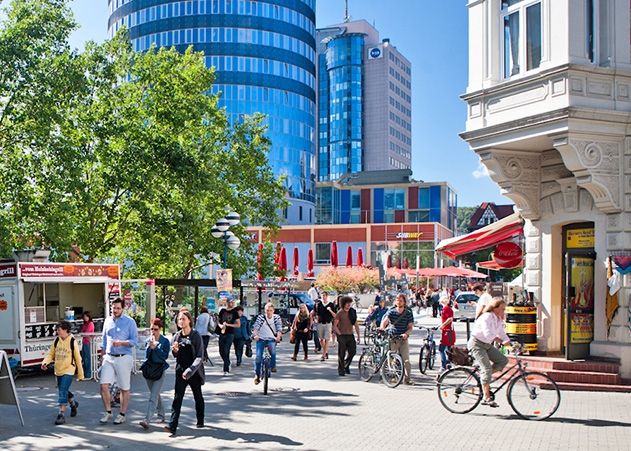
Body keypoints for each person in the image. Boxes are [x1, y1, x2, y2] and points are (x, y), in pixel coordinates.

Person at [164, 310, 205, 437]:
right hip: (180, 371)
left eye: (183, 319)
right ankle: (172, 426)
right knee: (177, 398)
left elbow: (199, 356)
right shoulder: (176, 336)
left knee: (197, 396)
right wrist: (175, 351)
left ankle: (200, 419)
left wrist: (190, 370)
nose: (181, 321)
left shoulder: (195, 336)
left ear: (189, 320)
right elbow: (175, 355)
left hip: (193, 372)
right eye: (179, 319)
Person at [99, 298, 138, 425]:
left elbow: (134, 341)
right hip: (109, 357)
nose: (115, 310)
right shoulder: (107, 321)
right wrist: (102, 356)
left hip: (124, 356)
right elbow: (104, 340)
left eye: (118, 308)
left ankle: (122, 414)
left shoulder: (130, 322)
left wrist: (121, 342)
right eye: (113, 308)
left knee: (124, 388)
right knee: (103, 385)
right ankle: (108, 411)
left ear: (123, 308)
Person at [468, 297, 510, 407]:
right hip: (477, 344)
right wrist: (500, 341)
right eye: (502, 309)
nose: (503, 311)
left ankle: (484, 378)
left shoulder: (498, 319)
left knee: (503, 361)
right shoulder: (486, 317)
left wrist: (509, 341)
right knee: (486, 369)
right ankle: (486, 397)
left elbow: (501, 332)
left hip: (486, 344)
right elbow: (488, 334)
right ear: (495, 308)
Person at [41, 320, 84, 425]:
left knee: (62, 391)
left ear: (65, 330)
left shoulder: (72, 341)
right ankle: (73, 404)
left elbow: (78, 359)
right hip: (58, 370)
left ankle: (61, 414)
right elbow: (51, 354)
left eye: (59, 330)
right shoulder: (56, 340)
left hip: (69, 370)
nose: (57, 332)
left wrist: (80, 374)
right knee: (63, 390)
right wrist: (45, 362)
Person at [139, 318, 170, 430]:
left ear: (160, 329)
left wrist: (156, 348)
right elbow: (146, 356)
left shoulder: (165, 341)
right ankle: (161, 415)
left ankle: (147, 419)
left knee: (153, 396)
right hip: (149, 370)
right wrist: (150, 348)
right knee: (155, 393)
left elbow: (164, 357)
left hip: (159, 371)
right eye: (152, 329)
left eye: (155, 329)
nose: (153, 331)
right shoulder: (148, 340)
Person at [380, 293, 415, 385]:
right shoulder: (391, 312)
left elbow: (410, 327)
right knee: (392, 359)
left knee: (406, 360)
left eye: (401, 300)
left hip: (403, 339)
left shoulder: (408, 313)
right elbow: (385, 321)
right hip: (393, 338)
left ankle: (407, 379)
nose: (398, 302)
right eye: (397, 300)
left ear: (404, 302)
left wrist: (406, 334)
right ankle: (393, 377)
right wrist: (382, 328)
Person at [251, 302, 283, 384]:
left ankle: (273, 366)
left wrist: (278, 337)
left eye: (270, 310)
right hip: (261, 339)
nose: (268, 312)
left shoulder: (276, 318)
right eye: (267, 310)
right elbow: (256, 327)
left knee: (273, 351)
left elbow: (279, 328)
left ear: (273, 311)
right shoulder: (261, 317)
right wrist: (255, 335)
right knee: (258, 357)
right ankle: (257, 375)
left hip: (271, 339)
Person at [333, 296, 361, 376]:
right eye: (347, 303)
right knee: (341, 353)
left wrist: (358, 335)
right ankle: (341, 369)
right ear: (343, 304)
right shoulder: (340, 313)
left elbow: (356, 325)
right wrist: (339, 333)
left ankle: (346, 365)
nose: (349, 305)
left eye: (350, 303)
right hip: (342, 335)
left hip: (350, 335)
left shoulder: (352, 312)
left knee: (352, 352)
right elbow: (335, 325)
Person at [217, 299, 240, 376]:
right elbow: (218, 320)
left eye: (232, 302)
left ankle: (226, 369)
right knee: (221, 351)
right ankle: (228, 362)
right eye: (230, 302)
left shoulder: (235, 312)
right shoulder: (222, 311)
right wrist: (220, 326)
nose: (231, 304)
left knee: (226, 350)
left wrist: (229, 325)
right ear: (227, 303)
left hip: (230, 333)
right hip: (222, 332)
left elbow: (238, 324)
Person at [316, 291, 337, 361]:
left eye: (324, 295)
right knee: (321, 340)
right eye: (322, 296)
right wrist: (316, 321)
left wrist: (330, 310)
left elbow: (335, 315)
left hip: (328, 324)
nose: (323, 297)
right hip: (320, 323)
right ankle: (326, 351)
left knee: (327, 339)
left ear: (327, 296)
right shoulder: (319, 304)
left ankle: (323, 355)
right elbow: (318, 314)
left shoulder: (331, 304)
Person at [438, 296, 455, 371]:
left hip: (446, 331)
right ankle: (448, 363)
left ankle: (443, 365)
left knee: (441, 348)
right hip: (449, 330)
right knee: (448, 348)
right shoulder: (449, 309)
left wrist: (442, 325)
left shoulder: (445, 309)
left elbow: (449, 319)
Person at [80, 311, 94, 379]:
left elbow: (86, 333)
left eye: (86, 316)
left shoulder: (90, 324)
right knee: (84, 358)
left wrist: (83, 333)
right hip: (84, 342)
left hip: (88, 342)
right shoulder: (85, 324)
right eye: (84, 317)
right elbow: (82, 332)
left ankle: (88, 374)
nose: (85, 318)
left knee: (87, 359)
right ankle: (85, 373)